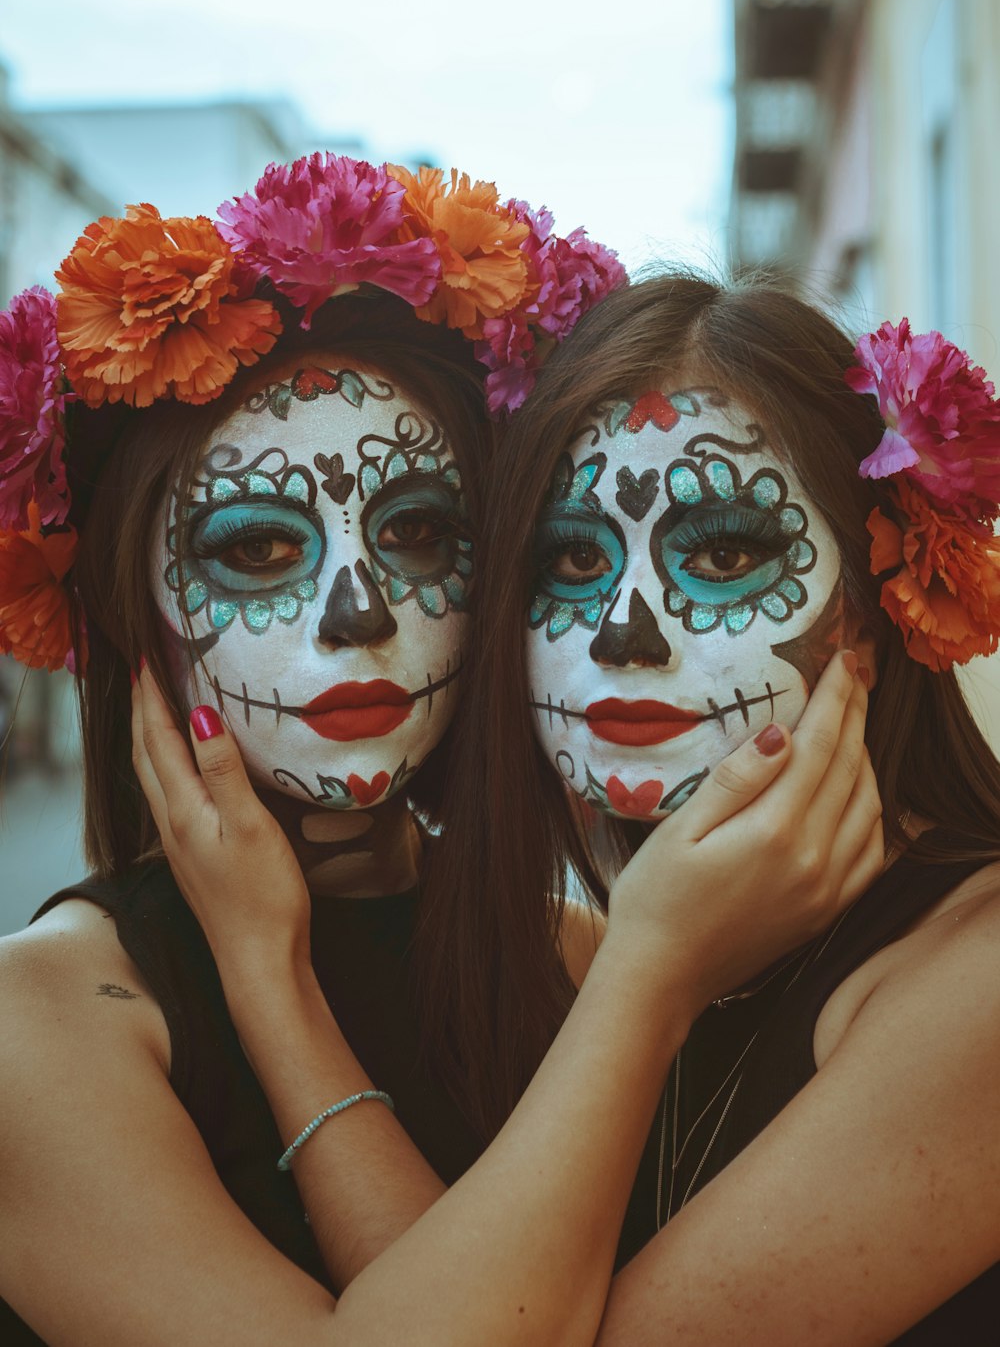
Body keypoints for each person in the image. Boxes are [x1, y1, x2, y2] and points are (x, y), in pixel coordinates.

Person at [0, 168, 879, 1346]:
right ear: (127, 609)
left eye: (419, 530)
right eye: (258, 544)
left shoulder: (586, 955)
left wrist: (643, 971)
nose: (356, 613)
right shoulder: (40, 1021)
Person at [131, 270, 1000, 1343]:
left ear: (887, 595)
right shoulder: (617, 947)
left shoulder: (977, 978)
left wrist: (647, 971)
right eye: (574, 559)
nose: (622, 637)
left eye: (725, 553)